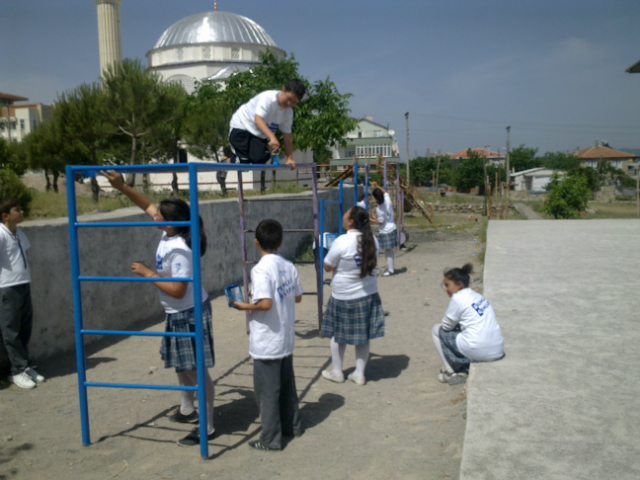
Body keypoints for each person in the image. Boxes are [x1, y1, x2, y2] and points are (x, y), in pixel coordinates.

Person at [101, 170, 216, 447]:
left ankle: (209, 425)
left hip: (188, 311)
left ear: (172, 222)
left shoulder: (180, 248)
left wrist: (148, 273)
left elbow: (179, 289)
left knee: (196, 370)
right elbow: (147, 204)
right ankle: (187, 408)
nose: (155, 216)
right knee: (181, 364)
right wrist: (121, 186)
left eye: (161, 216)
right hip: (176, 311)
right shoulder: (171, 230)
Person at [232, 219, 304, 451]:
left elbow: (264, 304)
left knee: (267, 393)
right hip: (285, 338)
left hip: (267, 342)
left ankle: (271, 439)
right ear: (281, 242)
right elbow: (298, 297)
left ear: (256, 243)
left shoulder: (261, 269)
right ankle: (292, 426)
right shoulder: (288, 265)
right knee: (286, 387)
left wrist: (244, 307)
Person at [321, 206, 384, 386]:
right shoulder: (373, 240)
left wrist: (327, 249)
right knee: (362, 335)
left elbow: (327, 266)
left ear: (351, 222)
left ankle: (337, 372)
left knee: (337, 334)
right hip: (368, 294)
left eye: (346, 214)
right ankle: (359, 374)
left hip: (343, 295)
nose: (343, 216)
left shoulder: (342, 241)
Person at [431, 264, 504, 385]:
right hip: (497, 350)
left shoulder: (458, 298)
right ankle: (462, 366)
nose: (446, 289)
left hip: (479, 349)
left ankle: (450, 372)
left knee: (435, 330)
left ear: (459, 284)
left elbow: (446, 327)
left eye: (447, 285)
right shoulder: (477, 296)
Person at [0, 198, 44, 389]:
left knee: (25, 327)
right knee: (11, 331)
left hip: (23, 284)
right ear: (5, 216)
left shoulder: (19, 233)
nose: (22, 212)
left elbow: (23, 256)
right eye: (17, 210)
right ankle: (16, 371)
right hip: (7, 287)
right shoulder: (1, 234)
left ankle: (24, 366)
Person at [228, 79, 306, 168]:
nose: (289, 103)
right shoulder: (268, 98)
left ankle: (241, 159)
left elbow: (287, 136)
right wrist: (272, 137)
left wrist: (289, 158)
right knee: (242, 163)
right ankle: (226, 161)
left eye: (294, 102)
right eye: (289, 99)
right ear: (283, 90)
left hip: (258, 133)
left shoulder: (288, 112)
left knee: (260, 160)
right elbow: (258, 120)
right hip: (242, 125)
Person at [370, 184, 397, 276]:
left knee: (388, 251)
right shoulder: (387, 200)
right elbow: (386, 192)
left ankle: (390, 270)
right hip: (392, 227)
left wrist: (372, 219)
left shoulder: (379, 209)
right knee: (390, 251)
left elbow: (381, 222)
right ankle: (391, 268)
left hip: (386, 230)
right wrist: (377, 186)